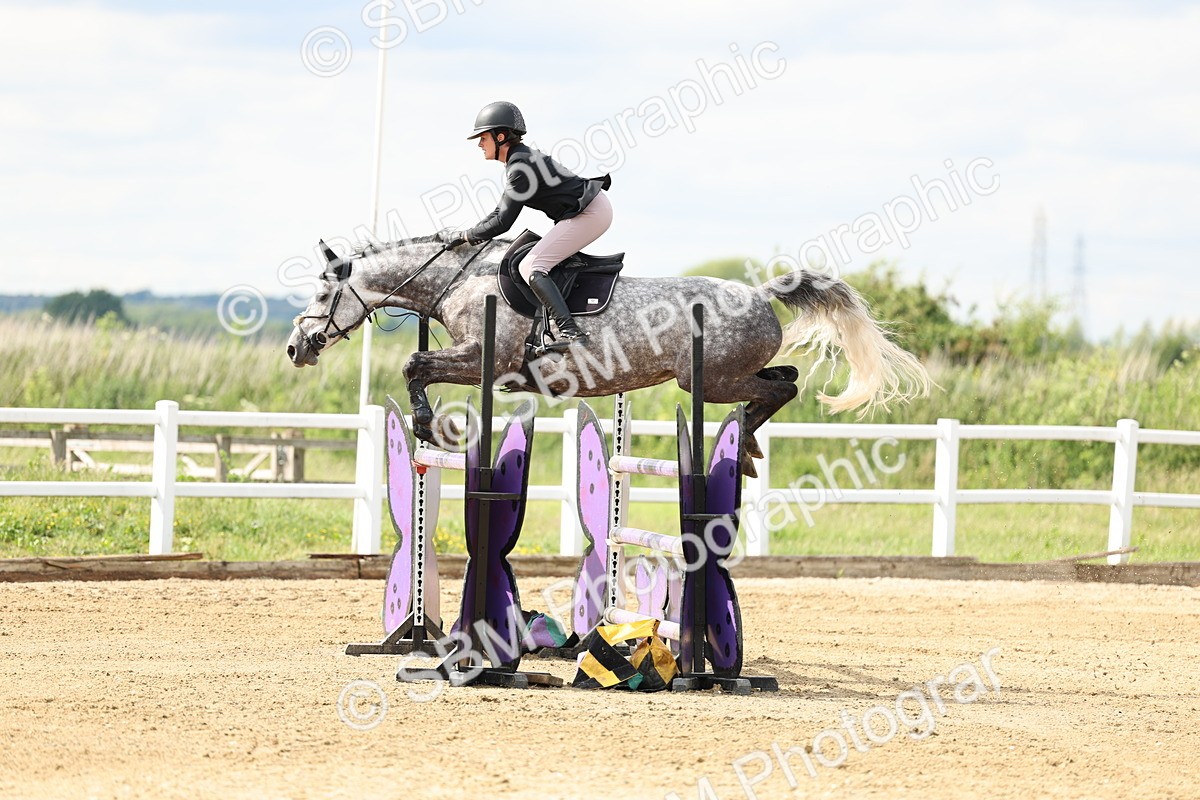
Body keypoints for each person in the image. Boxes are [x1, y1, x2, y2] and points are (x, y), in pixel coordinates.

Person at [438, 101, 613, 348]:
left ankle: (571, 332)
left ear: (500, 136)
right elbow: (500, 211)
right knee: (535, 261)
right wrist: (466, 234)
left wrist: (465, 235)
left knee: (532, 264)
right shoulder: (519, 160)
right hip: (588, 211)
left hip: (590, 213)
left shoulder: (520, 165)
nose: (479, 144)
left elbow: (502, 223)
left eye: (483, 138)